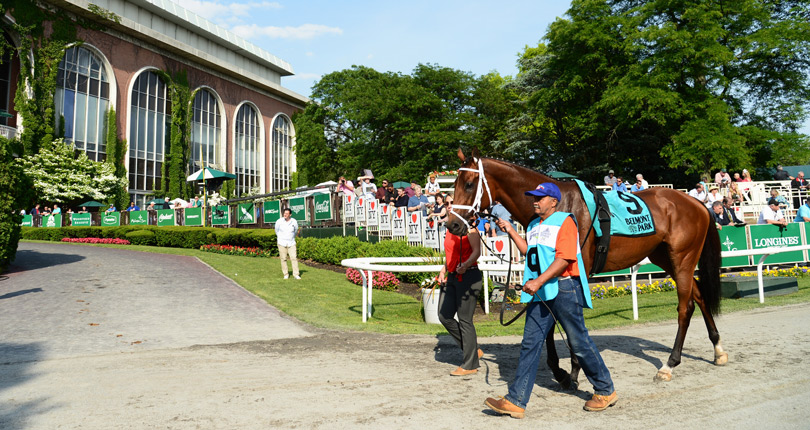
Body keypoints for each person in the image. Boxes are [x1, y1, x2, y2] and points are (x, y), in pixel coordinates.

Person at [485, 183, 616, 418]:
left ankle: (605, 390)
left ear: (553, 201)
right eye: (534, 198)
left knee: (579, 343)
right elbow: (530, 253)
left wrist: (538, 281)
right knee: (530, 344)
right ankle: (516, 400)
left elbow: (564, 259)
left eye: (540, 197)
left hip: (564, 288)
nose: (535, 201)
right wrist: (511, 231)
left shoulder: (565, 221)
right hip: (542, 292)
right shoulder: (534, 225)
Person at [436, 214, 483, 376]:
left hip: (469, 275)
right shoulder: (450, 229)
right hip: (452, 275)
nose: (449, 208)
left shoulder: (471, 229)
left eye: (452, 204)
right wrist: (444, 269)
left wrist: (466, 264)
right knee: (444, 316)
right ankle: (473, 349)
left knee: (465, 320)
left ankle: (470, 365)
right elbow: (451, 254)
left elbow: (476, 252)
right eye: (448, 205)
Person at [275, 208, 300, 280]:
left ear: (290, 214)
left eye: (287, 213)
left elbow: (295, 231)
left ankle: (296, 274)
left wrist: (292, 238)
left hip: (291, 243)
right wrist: (280, 238)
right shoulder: (279, 221)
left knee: (294, 258)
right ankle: (286, 274)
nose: (285, 215)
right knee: (283, 259)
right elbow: (276, 231)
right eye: (284, 213)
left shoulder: (294, 222)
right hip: (281, 243)